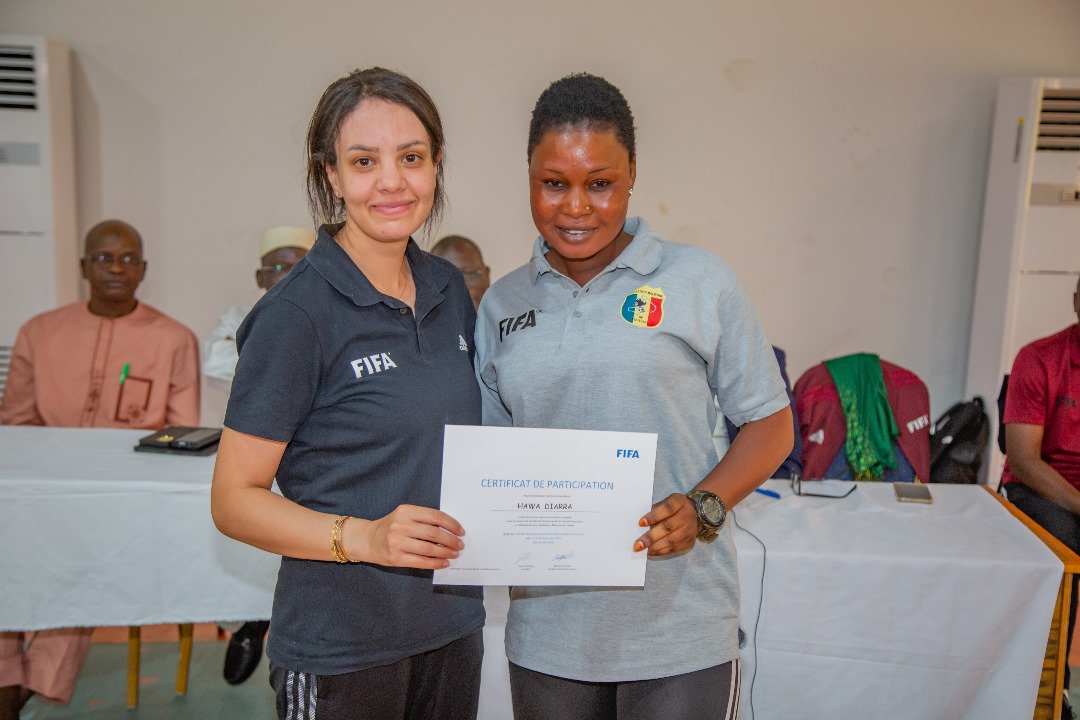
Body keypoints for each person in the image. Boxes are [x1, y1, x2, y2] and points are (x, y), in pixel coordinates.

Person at [474, 73, 793, 719]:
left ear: (632, 176)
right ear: (529, 176)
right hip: (549, 637)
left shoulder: (700, 281)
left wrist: (704, 505)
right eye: (553, 183)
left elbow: (771, 424)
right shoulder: (501, 305)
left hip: (679, 630)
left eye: (600, 183)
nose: (576, 207)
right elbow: (492, 461)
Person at [210, 67, 484, 720]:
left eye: (411, 158)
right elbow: (232, 501)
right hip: (341, 649)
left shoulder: (450, 291)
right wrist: (363, 538)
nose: (392, 181)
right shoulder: (297, 314)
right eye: (365, 161)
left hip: (450, 632)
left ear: (436, 164)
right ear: (330, 175)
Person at [0, 219, 200, 719]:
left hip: (118, 507)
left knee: (74, 570)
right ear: (84, 266)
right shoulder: (40, 332)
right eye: (104, 258)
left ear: (144, 269)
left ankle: (23, 687)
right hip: (36, 497)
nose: (116, 267)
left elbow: (178, 436)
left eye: (128, 258)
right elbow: (15, 427)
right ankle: (9, 681)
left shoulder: (173, 339)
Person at [202, 225, 315, 686]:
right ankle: (248, 622)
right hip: (249, 452)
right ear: (259, 274)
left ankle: (258, 623)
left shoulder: (325, 315)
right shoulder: (239, 319)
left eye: (299, 266)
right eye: (278, 267)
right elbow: (218, 365)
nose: (288, 275)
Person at [1001, 276, 1080, 719]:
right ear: (1075, 301)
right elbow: (1024, 459)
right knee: (1063, 540)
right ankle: (1052, 691)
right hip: (1041, 487)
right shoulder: (1040, 358)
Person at [430, 234, 490, 309]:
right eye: (450, 281)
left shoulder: (505, 315)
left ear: (486, 276)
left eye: (471, 276)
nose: (466, 290)